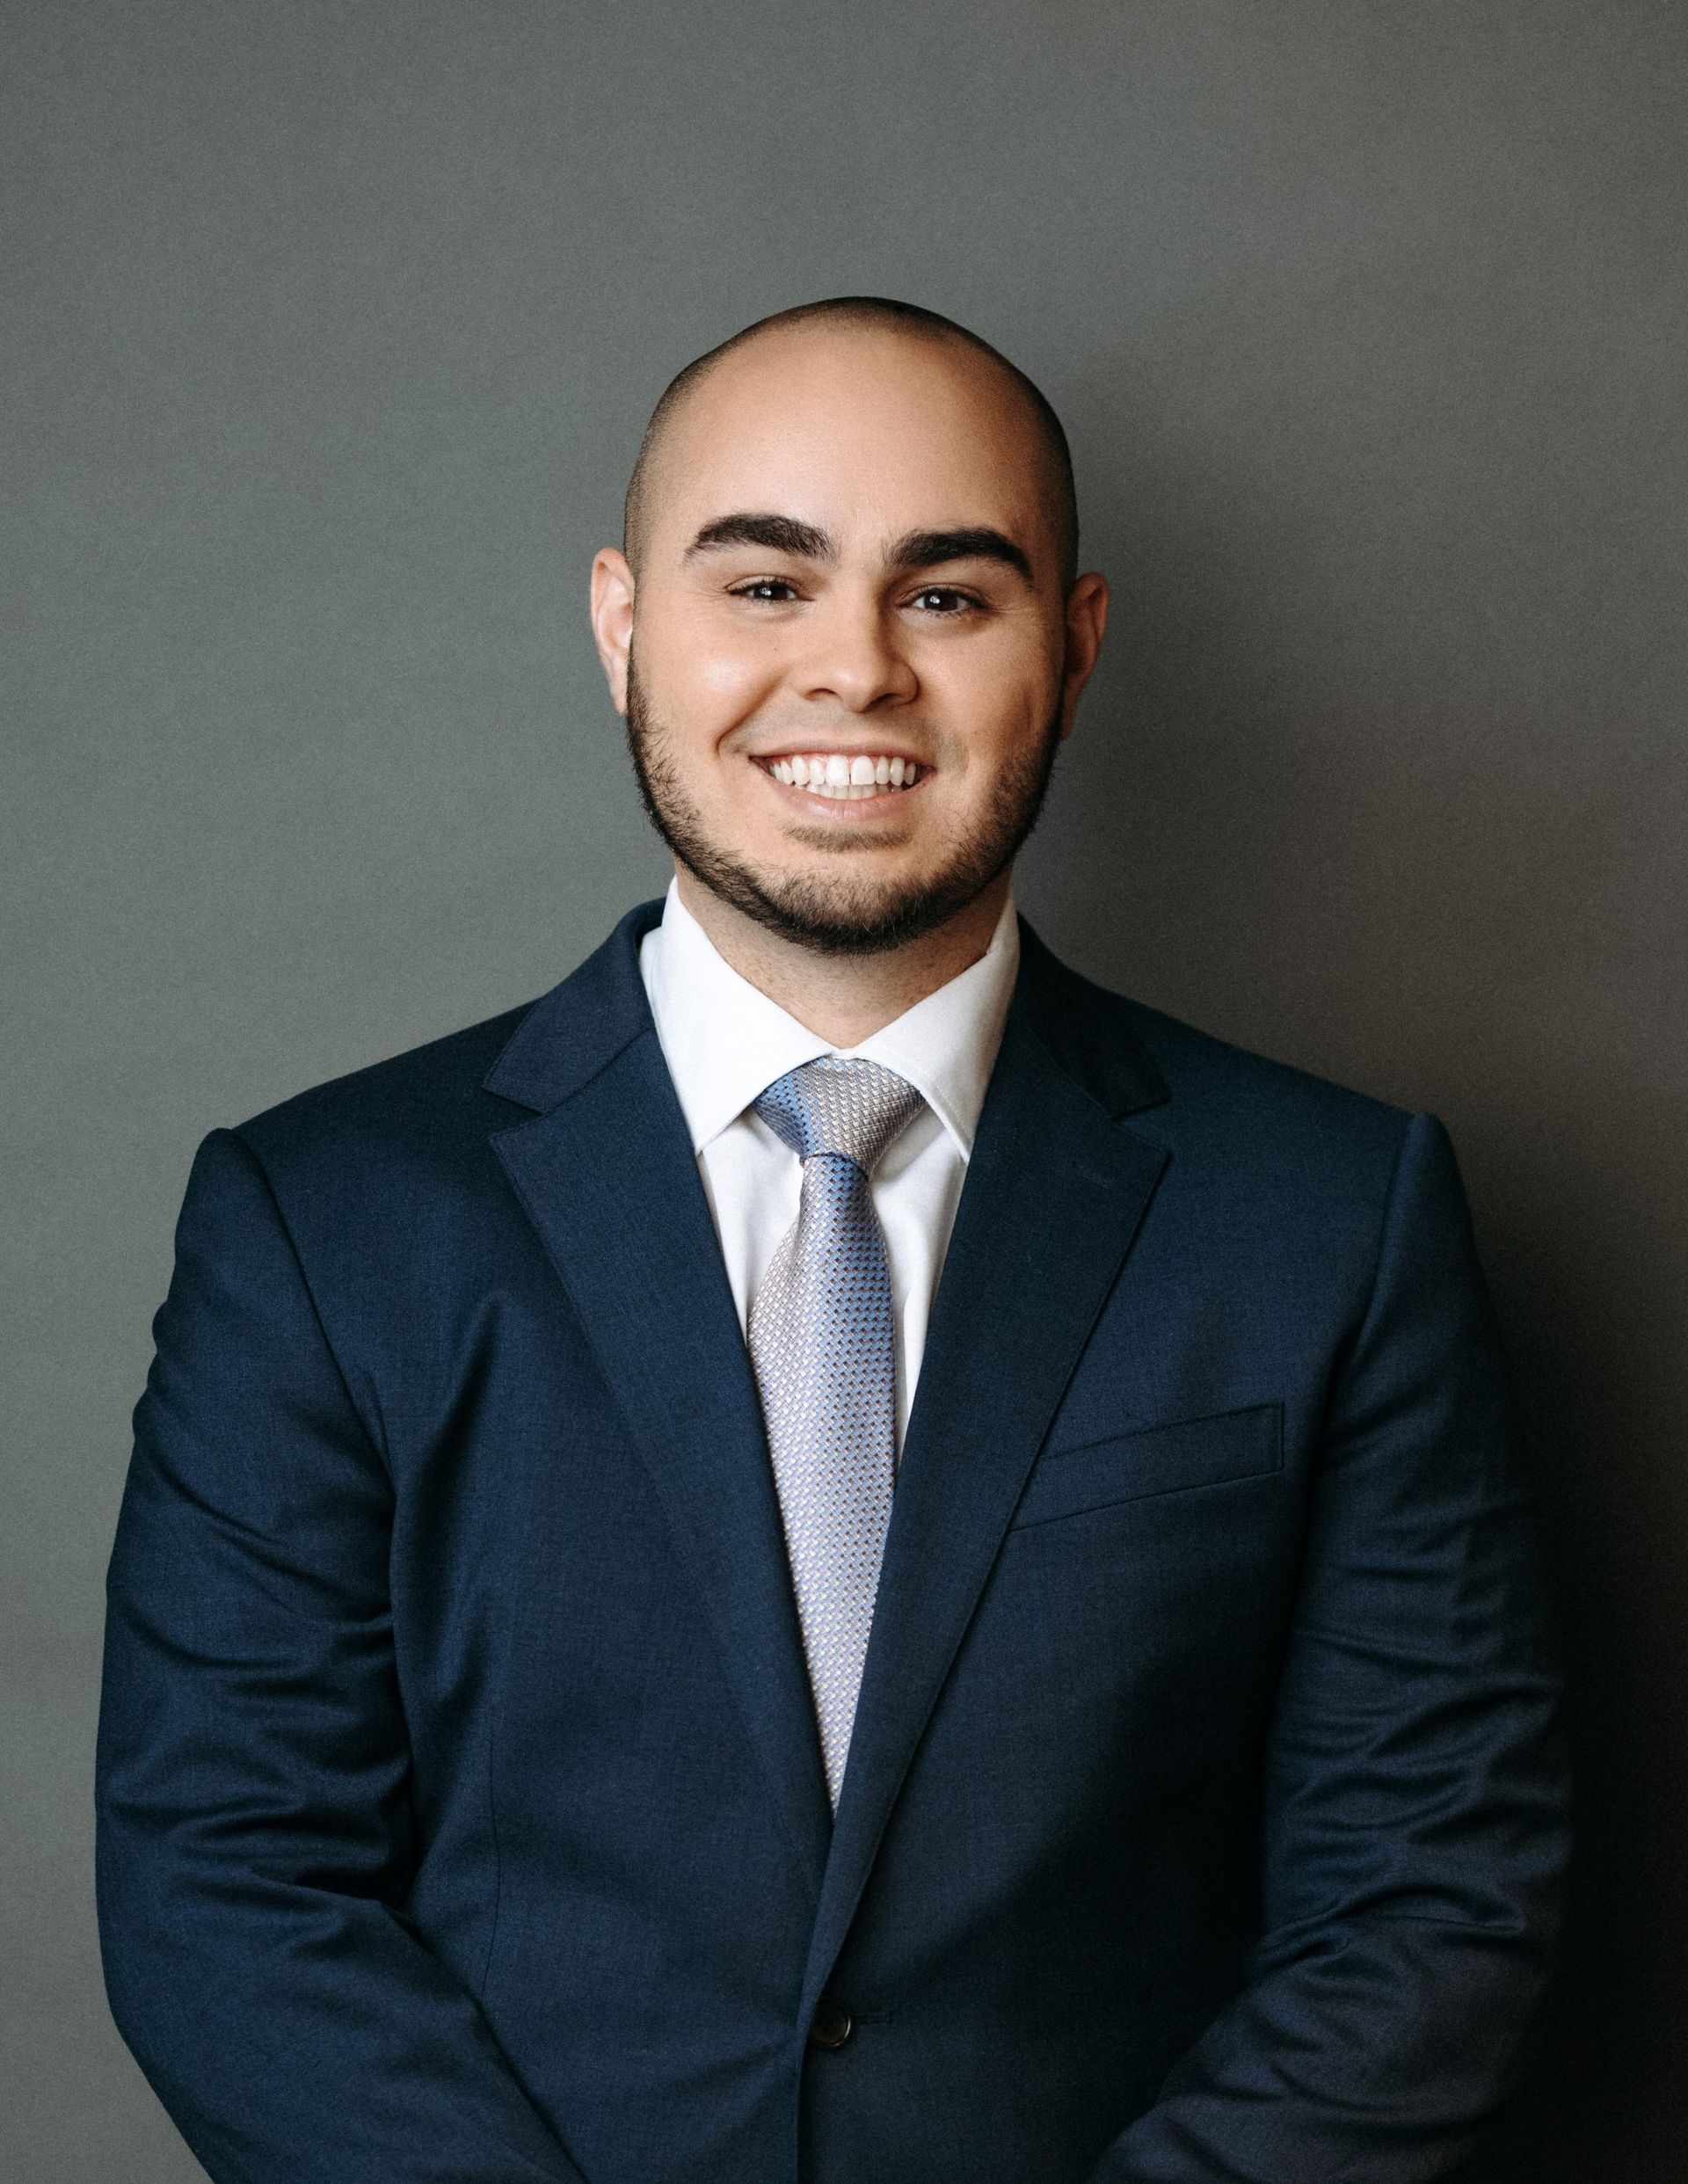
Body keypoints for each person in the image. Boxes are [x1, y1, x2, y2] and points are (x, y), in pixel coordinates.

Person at [96, 296, 1568, 2184]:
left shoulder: (1332, 1217)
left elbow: (1430, 1889)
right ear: (624, 627)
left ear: (1075, 650)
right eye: (766, 586)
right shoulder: (320, 1224)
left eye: (946, 595)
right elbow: (226, 1881)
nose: (856, 670)